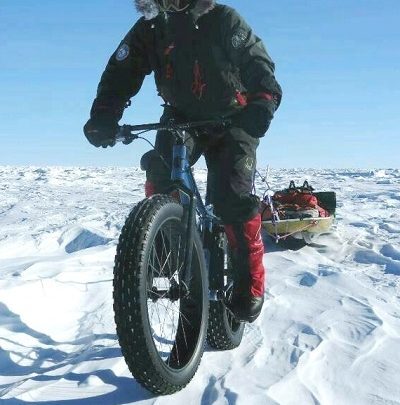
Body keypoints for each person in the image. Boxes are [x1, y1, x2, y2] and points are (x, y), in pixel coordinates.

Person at [84, 0, 282, 322]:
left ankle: (250, 283)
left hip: (233, 120)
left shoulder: (223, 19)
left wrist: (262, 100)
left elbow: (256, 63)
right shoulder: (150, 28)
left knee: (232, 197)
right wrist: (105, 114)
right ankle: (166, 247)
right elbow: (122, 70)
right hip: (180, 118)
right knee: (161, 171)